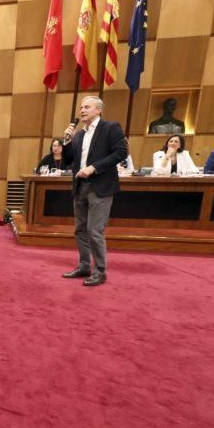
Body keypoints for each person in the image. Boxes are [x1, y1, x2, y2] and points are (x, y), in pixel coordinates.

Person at [61, 96, 127, 287]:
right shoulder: (80, 134)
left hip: (100, 186)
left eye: (87, 107)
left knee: (94, 230)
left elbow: (121, 153)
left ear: (99, 110)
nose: (82, 110)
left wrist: (94, 167)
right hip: (80, 185)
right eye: (81, 107)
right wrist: (66, 142)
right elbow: (68, 161)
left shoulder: (110, 128)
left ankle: (100, 271)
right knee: (80, 229)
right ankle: (84, 266)